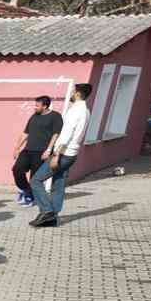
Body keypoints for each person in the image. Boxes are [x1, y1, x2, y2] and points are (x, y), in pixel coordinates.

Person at [30, 82, 92, 228]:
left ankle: (47, 211)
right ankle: (53, 219)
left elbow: (67, 134)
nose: (71, 94)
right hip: (72, 154)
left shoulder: (75, 111)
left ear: (77, 94)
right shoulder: (86, 111)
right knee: (58, 184)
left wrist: (56, 154)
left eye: (72, 92)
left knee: (36, 181)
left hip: (63, 153)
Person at [11, 96, 61, 207]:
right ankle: (25, 190)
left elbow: (56, 134)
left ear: (45, 106)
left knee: (34, 177)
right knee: (17, 169)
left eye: (37, 106)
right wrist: (17, 147)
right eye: (35, 105)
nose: (35, 107)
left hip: (41, 152)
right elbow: (26, 133)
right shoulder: (34, 116)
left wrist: (49, 150)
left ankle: (31, 198)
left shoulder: (55, 116)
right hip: (28, 150)